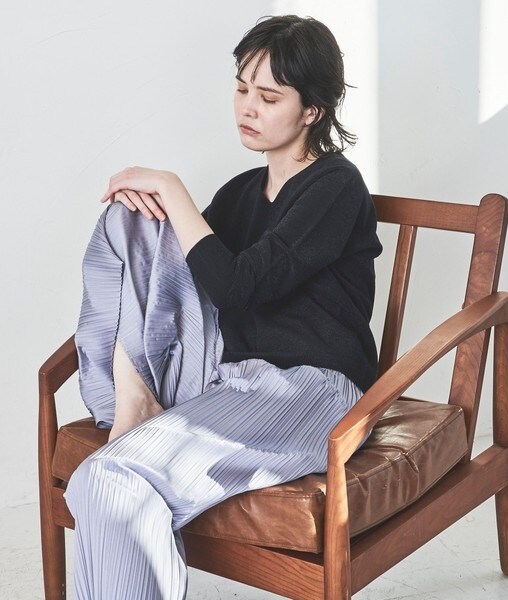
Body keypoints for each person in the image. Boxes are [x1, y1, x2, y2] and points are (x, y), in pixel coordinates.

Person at [65, 14, 382, 600]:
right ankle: (134, 397)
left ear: (311, 110)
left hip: (311, 392)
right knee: (132, 218)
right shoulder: (241, 192)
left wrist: (173, 190)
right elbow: (175, 277)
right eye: (241, 89)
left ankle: (138, 414)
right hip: (227, 380)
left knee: (105, 479)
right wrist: (145, 210)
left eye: (269, 97)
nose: (248, 108)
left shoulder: (335, 185)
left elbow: (240, 288)